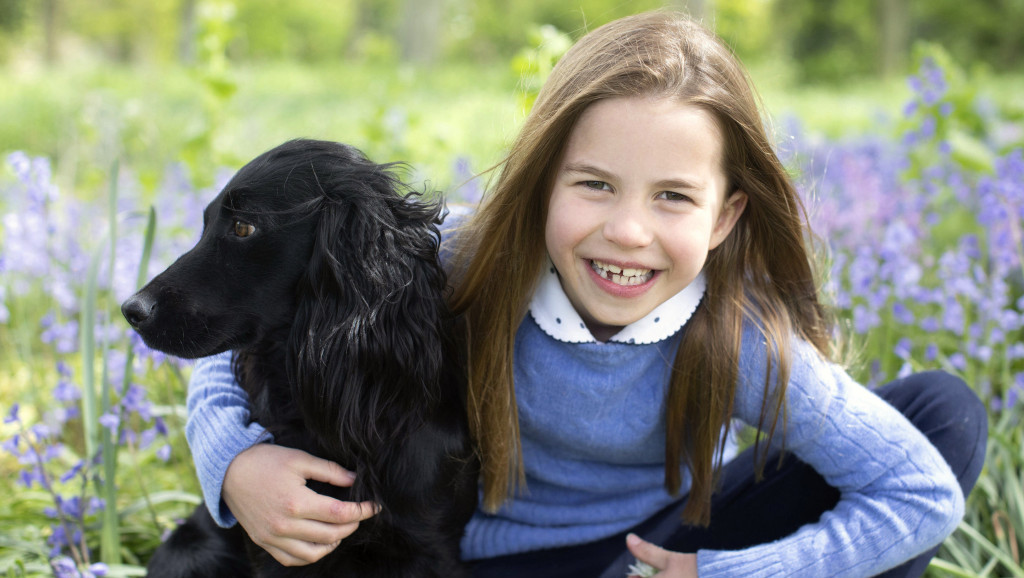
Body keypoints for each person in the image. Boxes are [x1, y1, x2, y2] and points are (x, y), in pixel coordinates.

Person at [183, 11, 987, 577]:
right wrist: (236, 465)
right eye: (595, 185)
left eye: (673, 197)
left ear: (725, 216)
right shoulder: (470, 257)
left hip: (659, 552)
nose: (628, 232)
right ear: (542, 185)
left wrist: (735, 571)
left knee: (942, 413)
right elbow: (248, 314)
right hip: (491, 565)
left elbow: (919, 492)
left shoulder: (736, 335)